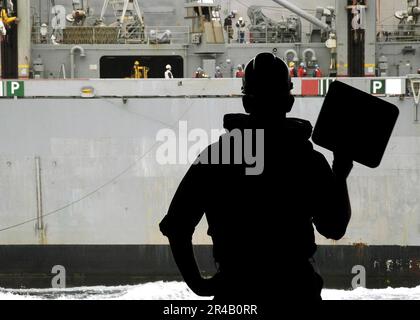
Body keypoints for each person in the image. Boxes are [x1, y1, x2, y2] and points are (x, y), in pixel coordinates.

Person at [160, 52, 353, 301]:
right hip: (296, 292)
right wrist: (340, 172)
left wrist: (199, 285)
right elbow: (334, 228)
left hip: (235, 290)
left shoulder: (217, 157)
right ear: (289, 102)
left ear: (246, 103)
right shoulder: (307, 160)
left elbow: (177, 227)